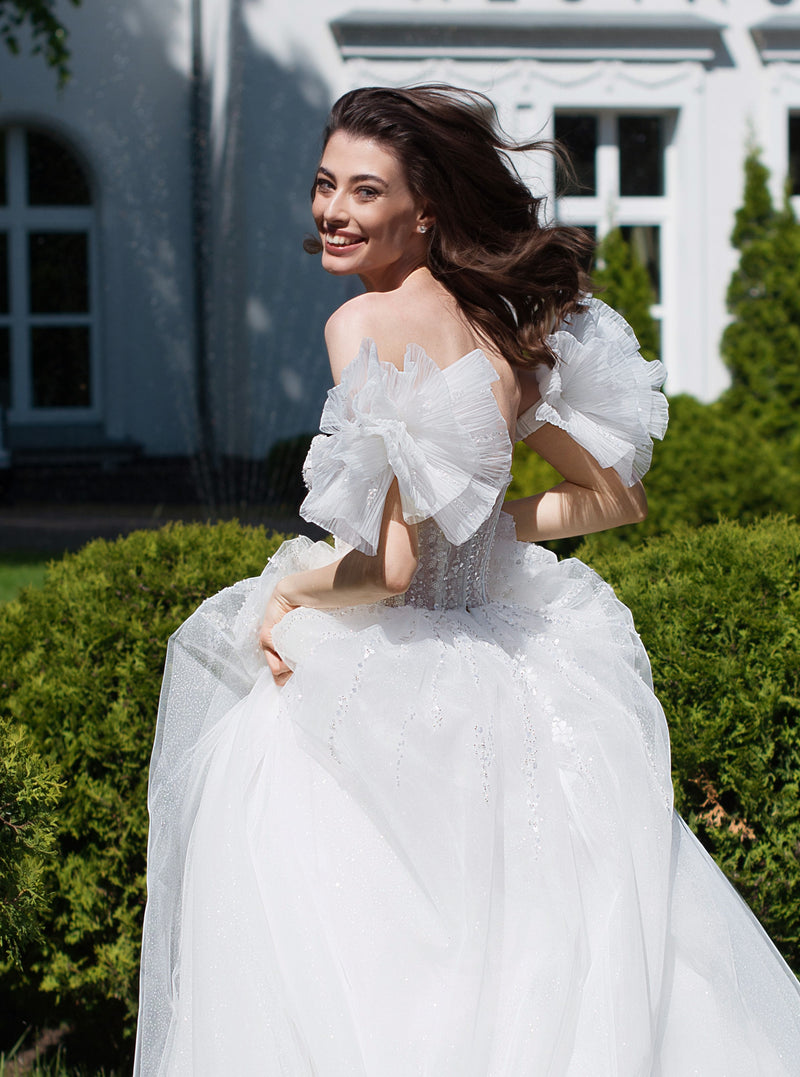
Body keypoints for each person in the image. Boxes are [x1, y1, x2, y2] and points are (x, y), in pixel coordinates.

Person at [134, 86, 800, 1076]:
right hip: (513, 672)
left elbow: (390, 572)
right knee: (535, 951)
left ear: (425, 211)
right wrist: (490, 532)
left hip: (388, 684)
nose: (334, 210)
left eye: (365, 191)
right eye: (324, 185)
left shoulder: (361, 325)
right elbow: (611, 500)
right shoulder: (501, 326)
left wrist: (289, 595)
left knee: (361, 967)